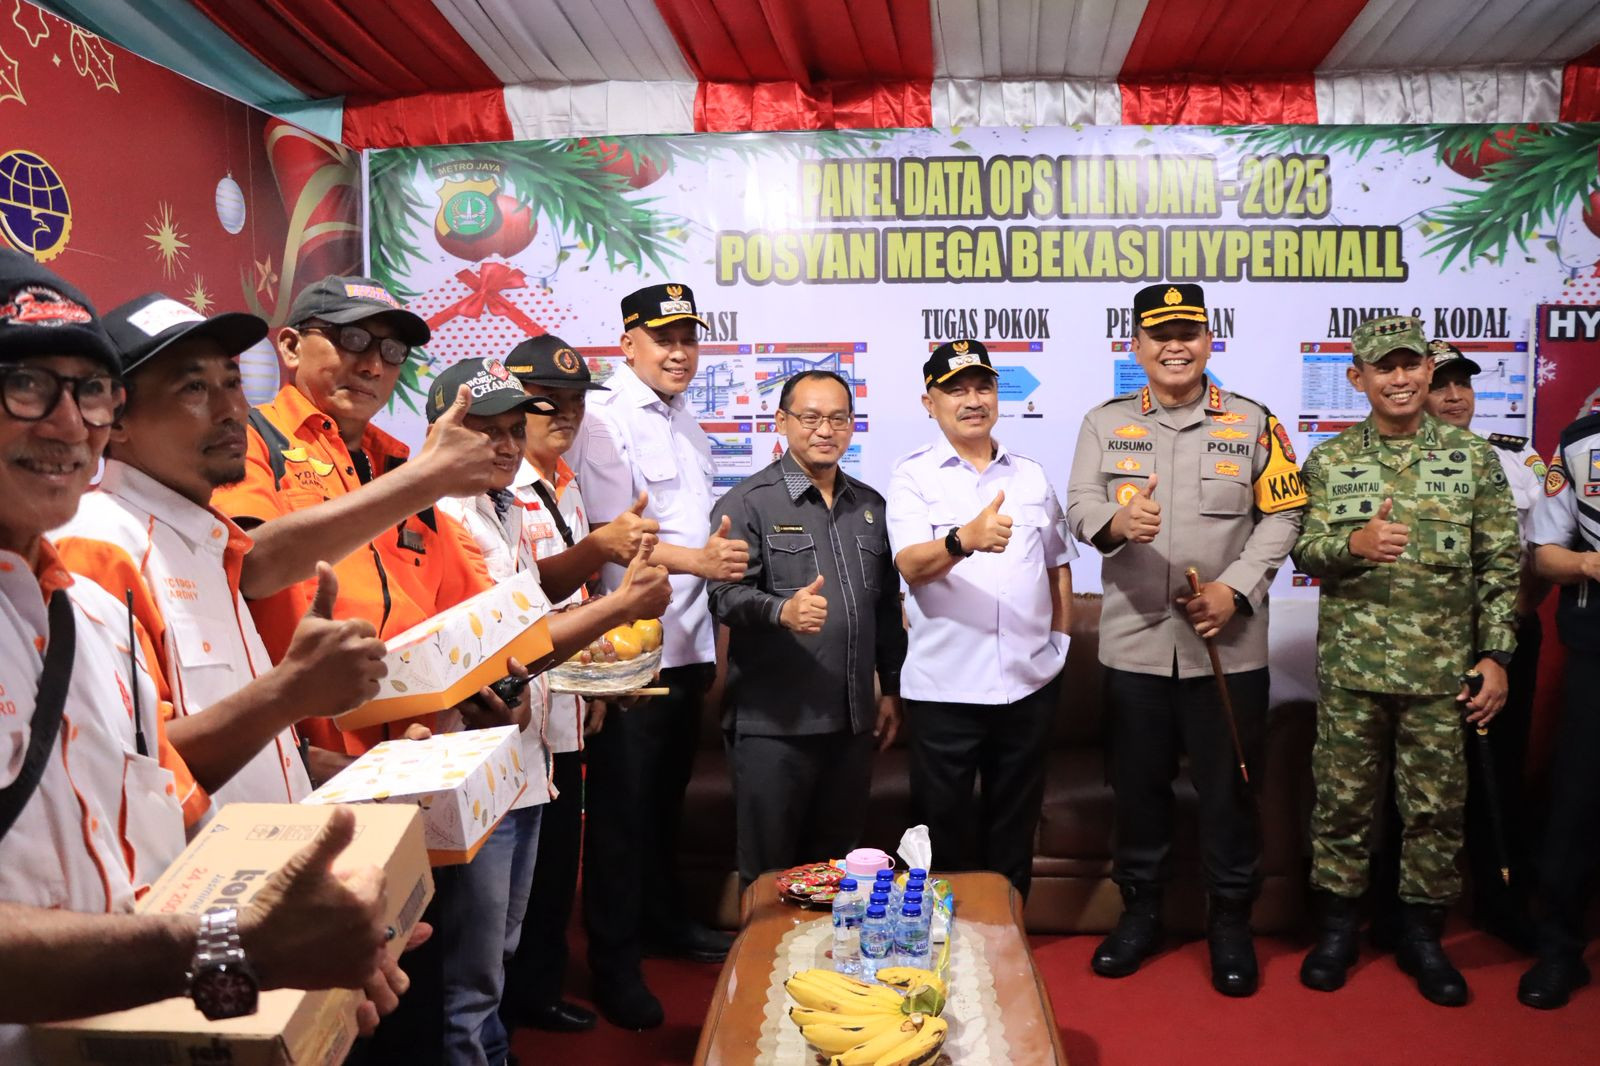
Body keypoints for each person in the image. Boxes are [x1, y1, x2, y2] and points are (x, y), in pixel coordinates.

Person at [0, 252, 407, 1064]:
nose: (69, 423)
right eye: (26, 385)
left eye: (89, 391)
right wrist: (244, 951)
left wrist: (293, 964)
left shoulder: (72, 610)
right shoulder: (102, 559)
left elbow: (150, 841)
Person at [211, 274, 539, 1063]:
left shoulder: (399, 460)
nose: (371, 363)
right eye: (350, 339)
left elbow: (469, 615)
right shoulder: (255, 442)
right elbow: (255, 564)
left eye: (389, 351)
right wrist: (420, 479)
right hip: (310, 780)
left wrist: (498, 687)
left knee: (417, 1005)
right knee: (334, 1023)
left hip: (421, 778)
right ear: (290, 346)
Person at [53, 293, 389, 814]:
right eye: (194, 388)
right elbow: (128, 774)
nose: (232, 410)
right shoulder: (97, 547)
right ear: (113, 420)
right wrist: (290, 692)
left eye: (233, 383)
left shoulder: (208, 543)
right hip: (184, 888)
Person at [427, 356, 671, 1064]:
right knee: (471, 963)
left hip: (527, 756)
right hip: (471, 761)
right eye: (486, 433)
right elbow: (501, 642)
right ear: (443, 433)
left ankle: (493, 1051)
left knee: (502, 940)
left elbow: (538, 611)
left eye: (512, 431)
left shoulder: (505, 506)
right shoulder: (443, 518)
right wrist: (620, 609)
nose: (504, 447)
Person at [1066, 283, 1305, 997]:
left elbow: (1284, 512)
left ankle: (1230, 920)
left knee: (1230, 792)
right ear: (1134, 345)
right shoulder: (1104, 423)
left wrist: (1236, 589)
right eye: (1160, 334)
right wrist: (1114, 524)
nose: (1175, 346)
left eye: (1189, 333)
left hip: (1226, 648)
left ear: (1208, 342)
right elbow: (1079, 504)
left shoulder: (1254, 421)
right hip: (1135, 644)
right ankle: (1139, 913)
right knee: (1137, 788)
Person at [1293, 315, 1519, 1006]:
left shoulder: (1473, 458)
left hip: (1440, 676)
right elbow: (1304, 550)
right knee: (1342, 806)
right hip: (1354, 670)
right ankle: (1336, 930)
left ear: (1427, 370)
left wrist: (1497, 655)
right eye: (1383, 367)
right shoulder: (1330, 460)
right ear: (1357, 378)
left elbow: (1500, 563)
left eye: (1411, 365)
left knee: (1435, 810)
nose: (1400, 378)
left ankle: (1423, 936)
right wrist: (1352, 545)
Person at [567, 284, 747, 1029]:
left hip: (686, 644)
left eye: (688, 339)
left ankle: (663, 921)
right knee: (618, 816)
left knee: (662, 805)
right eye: (663, 338)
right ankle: (613, 963)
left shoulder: (685, 421)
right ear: (627, 343)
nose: (679, 352)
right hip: (629, 654)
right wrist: (700, 563)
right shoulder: (604, 420)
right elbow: (614, 530)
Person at [494, 334, 658, 1036]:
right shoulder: (494, 487)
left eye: (574, 403)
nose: (562, 415)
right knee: (506, 885)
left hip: (566, 700)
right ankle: (493, 1019)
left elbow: (572, 594)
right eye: (545, 403)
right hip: (511, 709)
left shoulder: (562, 479)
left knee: (556, 863)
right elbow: (518, 602)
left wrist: (594, 681)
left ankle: (534, 992)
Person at [886, 339, 1073, 898]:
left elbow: (1058, 566)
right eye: (956, 390)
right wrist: (963, 539)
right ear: (929, 402)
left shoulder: (1031, 476)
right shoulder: (913, 476)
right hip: (945, 688)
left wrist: (1058, 645)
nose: (972, 400)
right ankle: (939, 946)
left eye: (982, 387)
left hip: (1027, 685)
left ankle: (1005, 938)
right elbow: (912, 566)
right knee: (938, 831)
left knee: (1013, 830)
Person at [709, 370, 907, 890]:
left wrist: (890, 686)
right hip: (774, 727)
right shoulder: (749, 503)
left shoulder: (870, 506)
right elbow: (723, 596)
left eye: (839, 418)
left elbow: (886, 606)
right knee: (770, 876)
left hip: (849, 725)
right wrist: (781, 613)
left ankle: (828, 972)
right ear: (782, 422)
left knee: (841, 875)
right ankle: (762, 974)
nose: (826, 430)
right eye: (811, 417)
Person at [1416, 340, 1545, 946]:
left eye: (1463, 384)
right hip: (1424, 639)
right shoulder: (1397, 459)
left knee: (1500, 770)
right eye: (1441, 383)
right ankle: (1409, 910)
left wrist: (1506, 636)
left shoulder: (1517, 462)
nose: (1453, 395)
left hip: (1503, 640)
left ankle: (1501, 900)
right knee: (1419, 773)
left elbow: (1539, 555)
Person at [1519, 406, 1600, 1008]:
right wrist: (1588, 564)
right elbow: (1544, 554)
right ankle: (1559, 951)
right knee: (1576, 804)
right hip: (1596, 653)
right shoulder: (1580, 443)